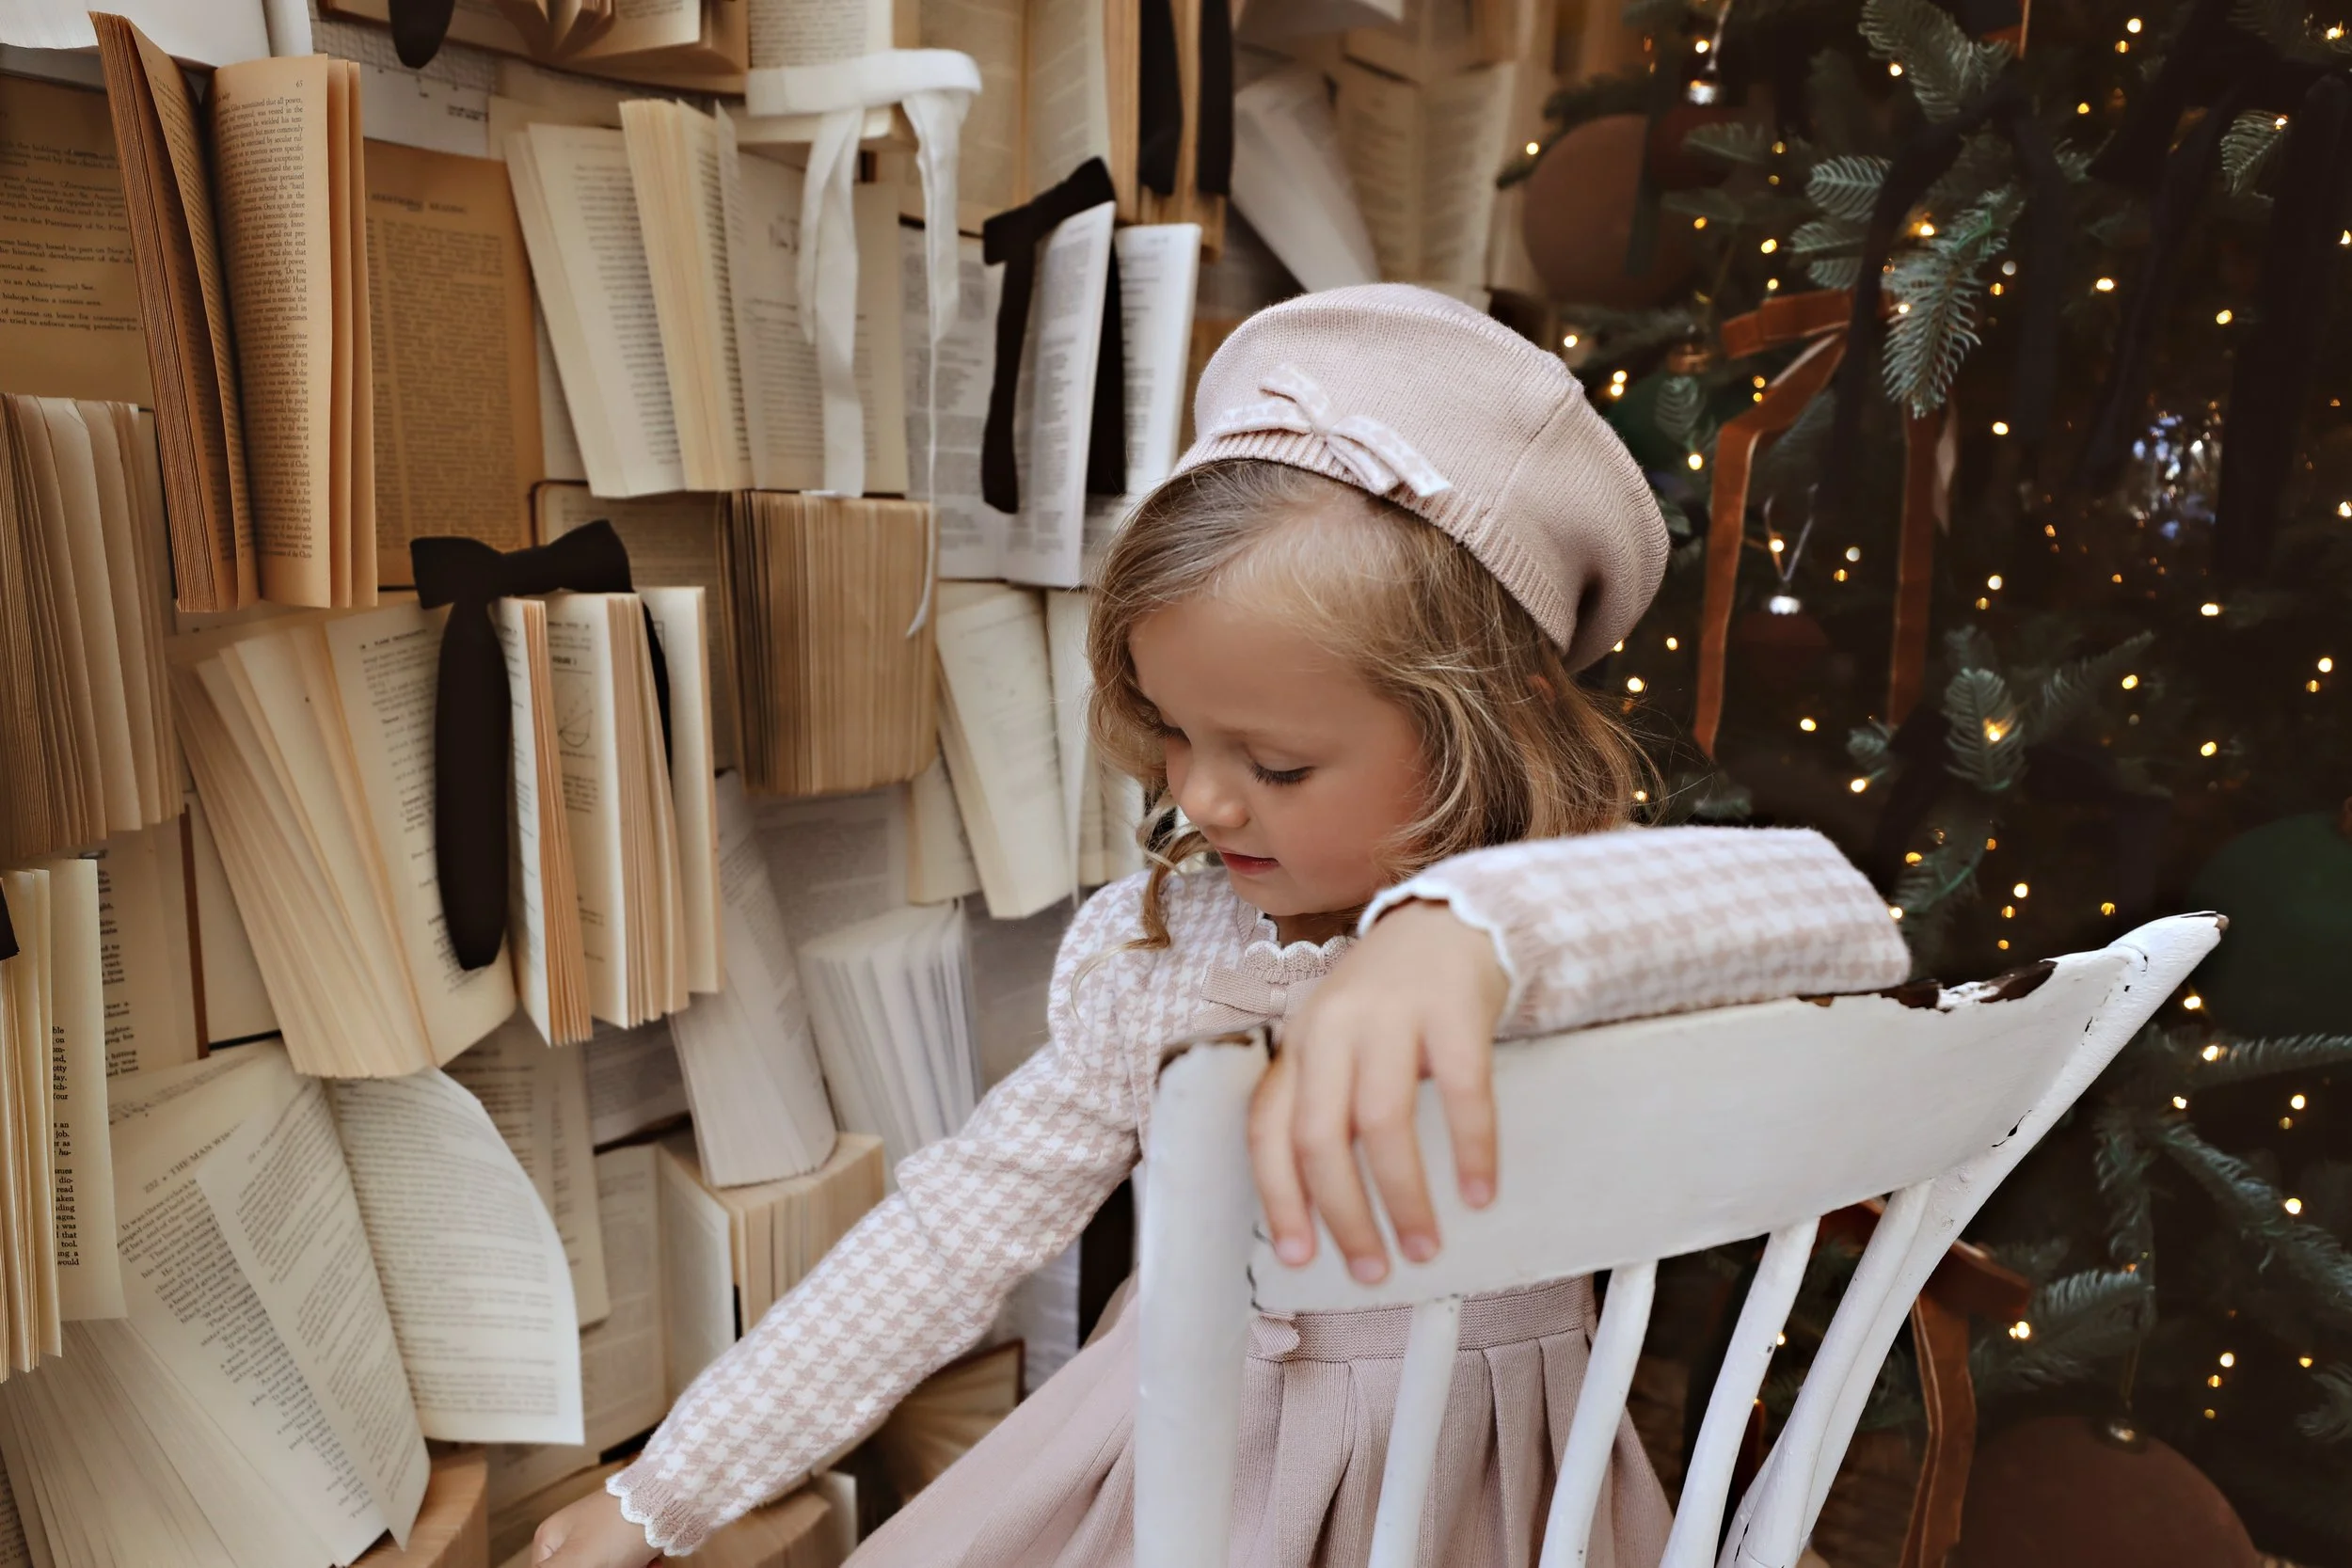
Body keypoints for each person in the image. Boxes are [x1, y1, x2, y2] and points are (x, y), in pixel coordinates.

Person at [535, 286, 1910, 1567]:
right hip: (1186, 1465)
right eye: (1176, 732)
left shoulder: (1584, 913)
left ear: (1486, 732)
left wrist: (1467, 927)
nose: (1198, 791)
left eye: (1279, 762)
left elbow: (1836, 912)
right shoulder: (1165, 956)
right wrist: (662, 1491)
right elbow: (946, 1239)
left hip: (1485, 1492)